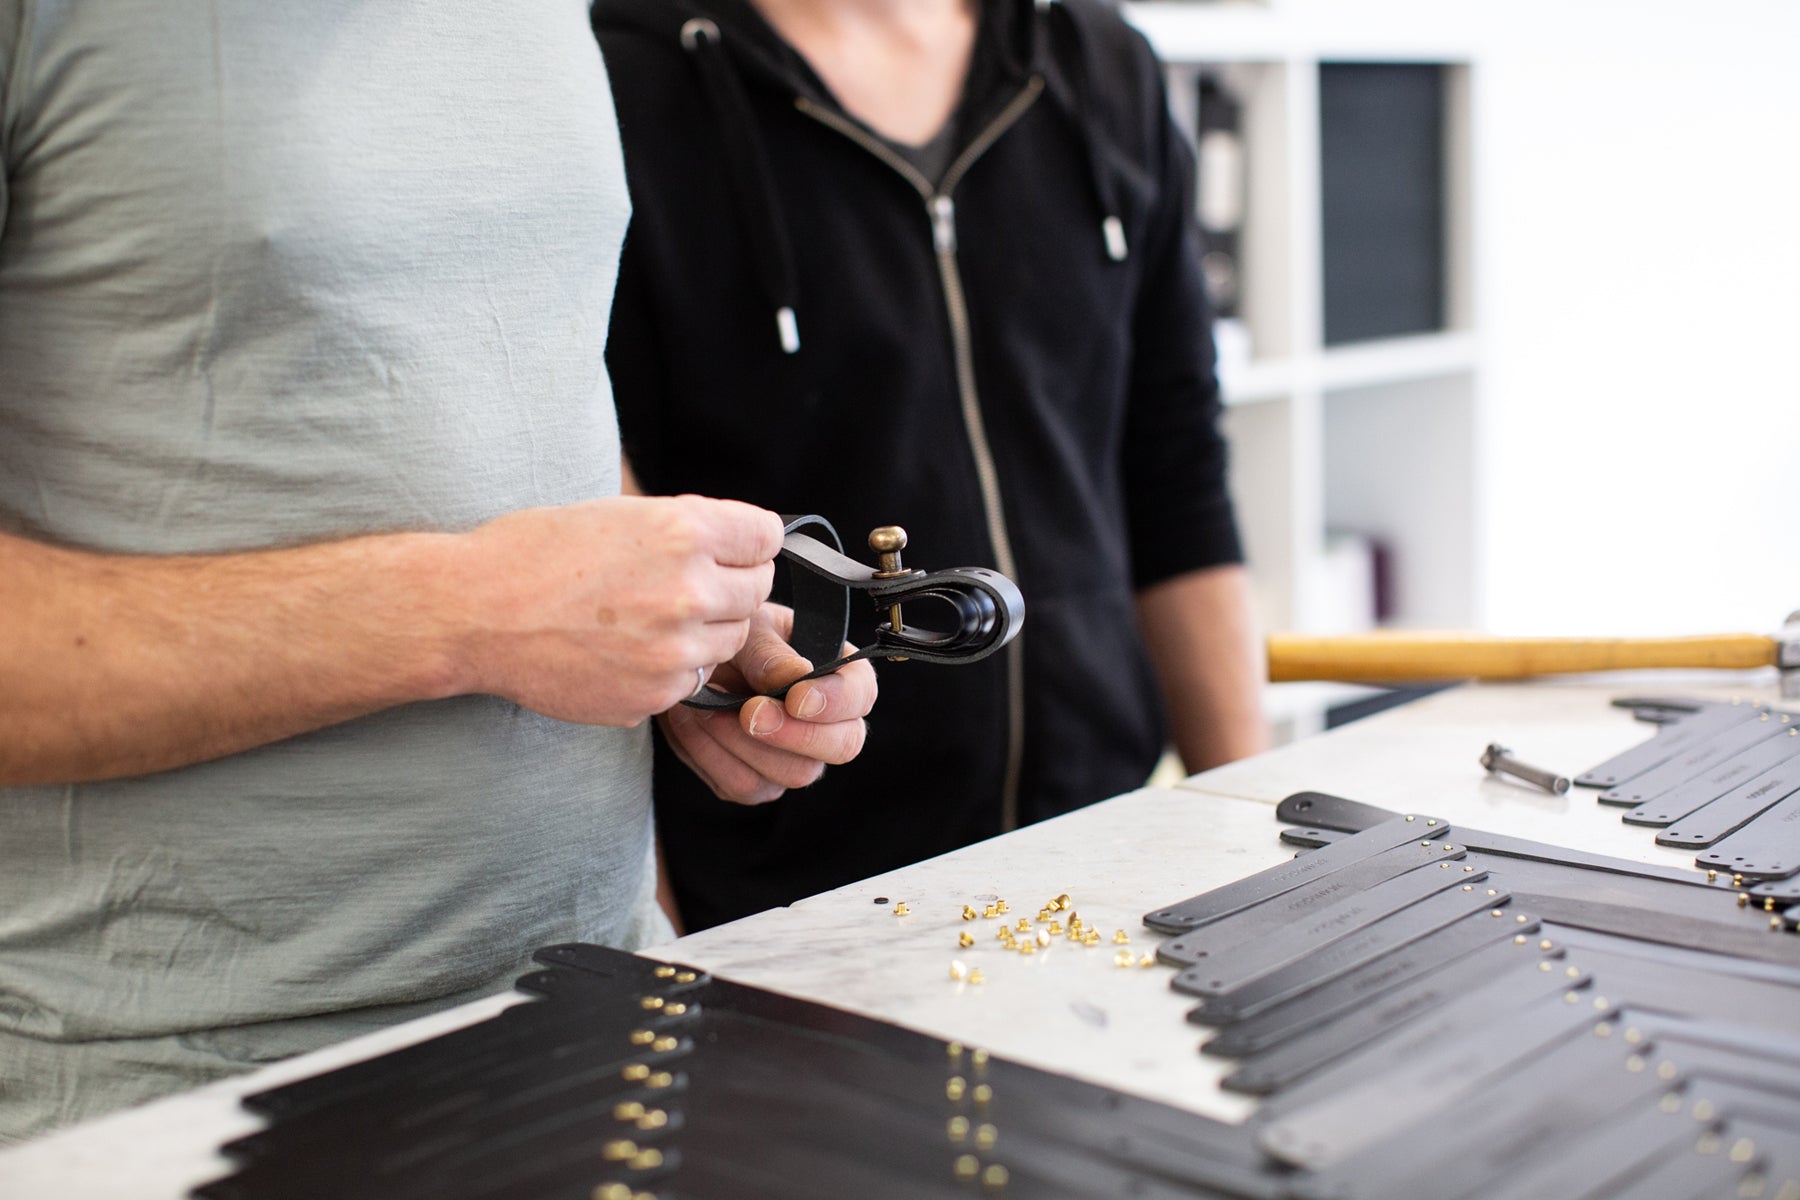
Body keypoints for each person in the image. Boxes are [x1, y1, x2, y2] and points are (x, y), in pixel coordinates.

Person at [0, 1, 875, 1143]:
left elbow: (504, 368)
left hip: (601, 1015)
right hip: (164, 1095)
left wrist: (677, 637)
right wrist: (475, 611)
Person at [593, 0, 1270, 932]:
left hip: (1104, 865)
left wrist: (1252, 850)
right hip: (784, 906)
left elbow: (1177, 474)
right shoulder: (618, 85)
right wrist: (657, 958)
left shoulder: (1100, 64)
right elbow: (609, 573)